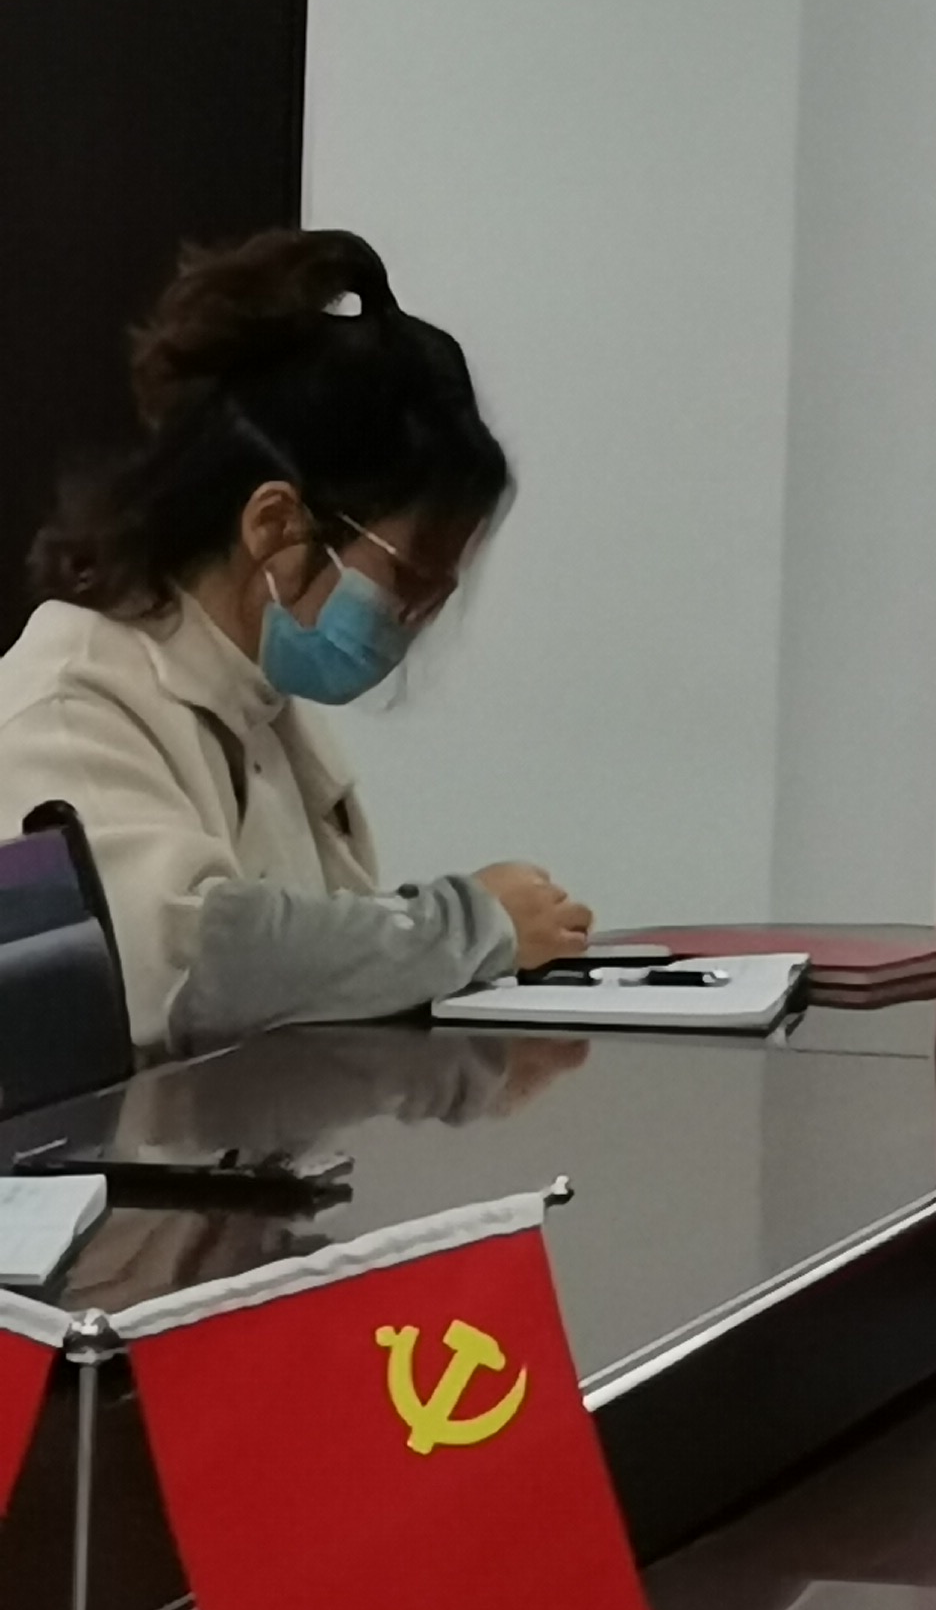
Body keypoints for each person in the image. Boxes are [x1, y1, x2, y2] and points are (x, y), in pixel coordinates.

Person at [0, 229, 589, 1051]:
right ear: (276, 524)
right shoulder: (71, 704)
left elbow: (331, 969)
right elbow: (189, 969)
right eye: (407, 580)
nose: (414, 620)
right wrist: (473, 925)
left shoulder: (267, 716)